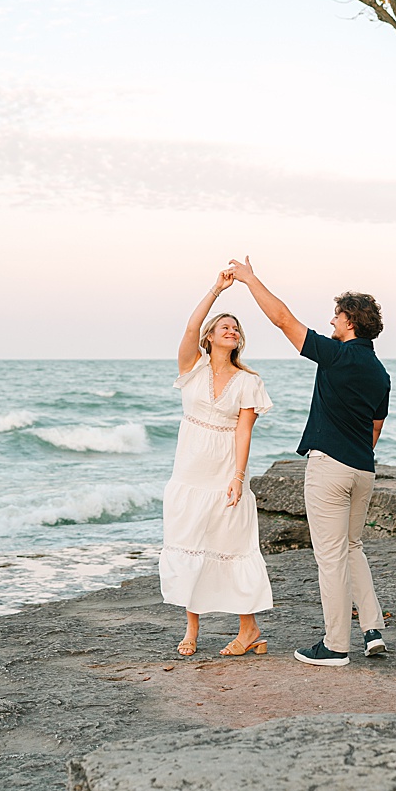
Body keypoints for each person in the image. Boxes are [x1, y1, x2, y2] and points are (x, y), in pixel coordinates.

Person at [229, 256, 391, 667]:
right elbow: (375, 429)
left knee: (331, 557)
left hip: (330, 469)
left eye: (337, 317)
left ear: (350, 322)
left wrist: (250, 278)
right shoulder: (380, 373)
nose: (331, 323)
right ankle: (373, 629)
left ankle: (336, 645)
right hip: (362, 470)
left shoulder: (336, 356)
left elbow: (283, 319)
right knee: (353, 547)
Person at [159, 268, 275, 657]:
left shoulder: (248, 382)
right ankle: (191, 630)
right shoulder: (192, 370)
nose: (232, 331)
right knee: (192, 546)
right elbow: (189, 329)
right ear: (211, 337)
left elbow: (244, 432)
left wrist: (239, 477)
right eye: (224, 326)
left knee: (232, 547)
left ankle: (249, 630)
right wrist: (217, 290)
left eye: (236, 328)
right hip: (189, 474)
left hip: (225, 474)